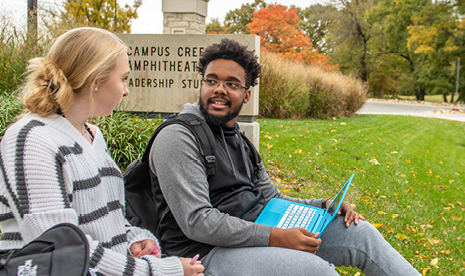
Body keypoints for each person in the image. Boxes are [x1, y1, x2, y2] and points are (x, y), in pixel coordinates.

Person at [148, 38, 421, 275]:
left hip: (259, 231)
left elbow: (272, 199)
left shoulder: (240, 140)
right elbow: (198, 221)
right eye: (211, 81)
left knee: (361, 234)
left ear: (246, 95)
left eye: (231, 84)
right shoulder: (178, 137)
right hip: (205, 253)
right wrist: (276, 237)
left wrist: (324, 204)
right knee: (314, 271)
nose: (219, 89)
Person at [0, 27, 204, 276]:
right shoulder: (32, 140)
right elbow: (57, 247)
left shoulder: (92, 135)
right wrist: (159, 270)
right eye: (123, 78)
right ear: (95, 80)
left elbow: (105, 222)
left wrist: (133, 238)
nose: (126, 91)